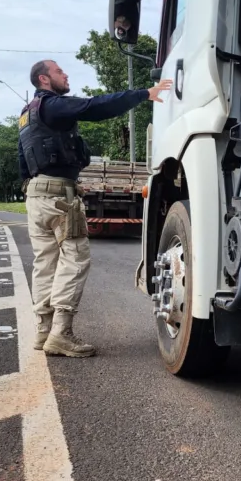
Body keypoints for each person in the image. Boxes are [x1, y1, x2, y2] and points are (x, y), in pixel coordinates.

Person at [18, 59, 173, 357]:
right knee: (75, 259)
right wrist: (144, 93)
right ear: (44, 79)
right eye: (59, 71)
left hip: (36, 195)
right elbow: (94, 107)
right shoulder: (53, 105)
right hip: (59, 196)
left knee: (45, 263)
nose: (65, 75)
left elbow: (22, 162)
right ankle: (61, 333)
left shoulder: (27, 116)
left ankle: (43, 331)